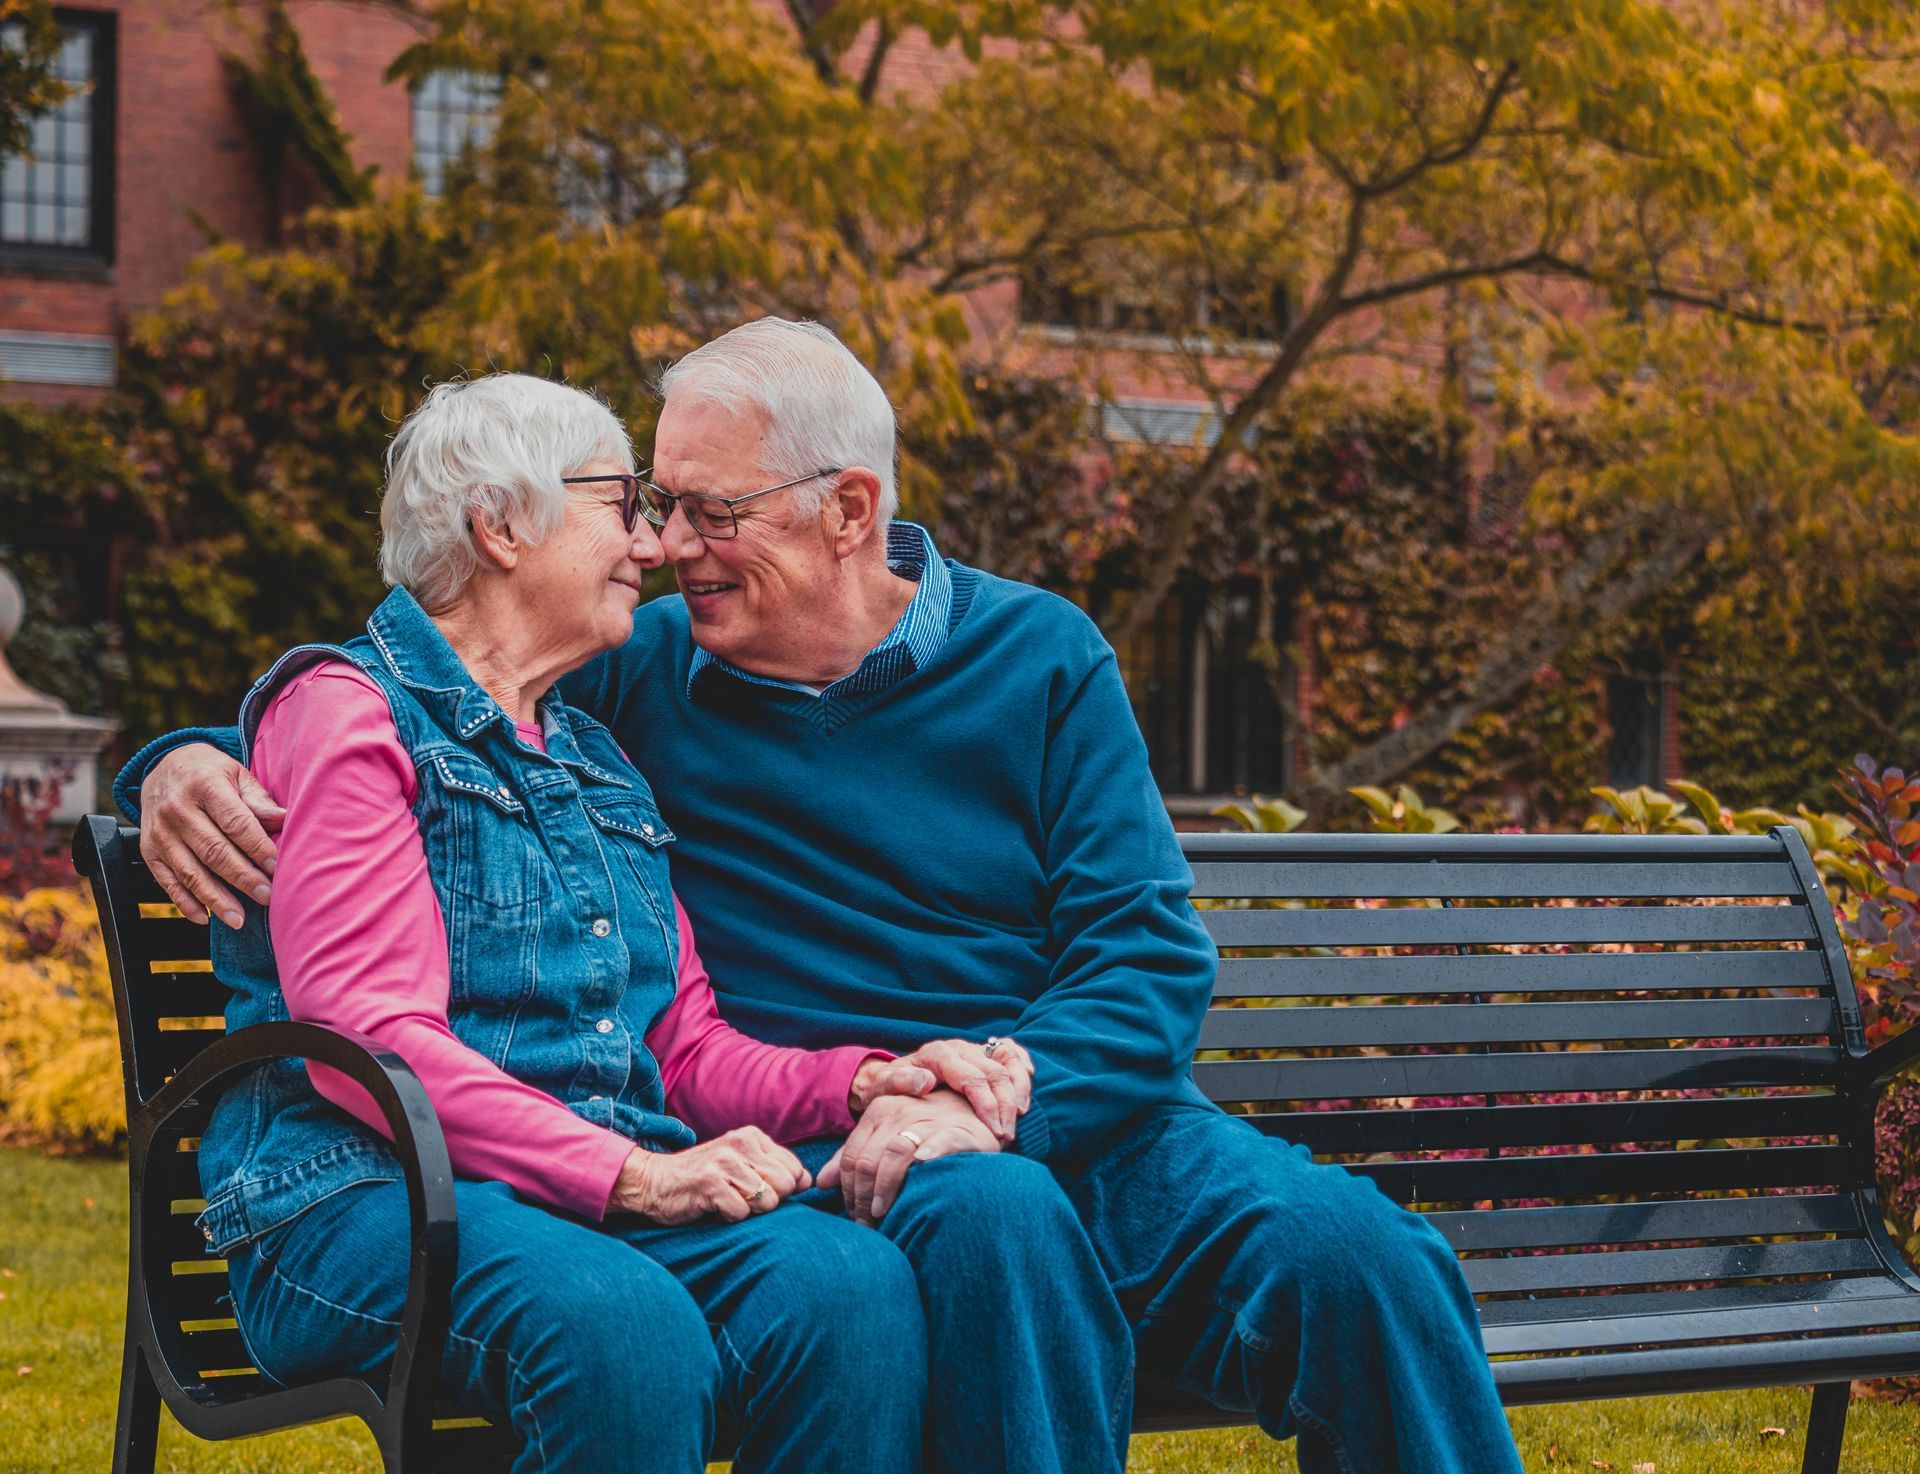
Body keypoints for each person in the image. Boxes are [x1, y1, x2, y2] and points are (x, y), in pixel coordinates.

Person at [125, 320, 1524, 1474]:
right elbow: (423, 685)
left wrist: (988, 1092)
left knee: (1365, 1261)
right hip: (833, 1136)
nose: (668, 545)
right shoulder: (639, 677)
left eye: (708, 511)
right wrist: (175, 762)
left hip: (1053, 1096)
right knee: (991, 1227)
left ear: (851, 507)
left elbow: (1145, 952)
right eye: (654, 505)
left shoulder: (1041, 656)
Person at [161, 372, 1032, 1474]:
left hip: (575, 1194)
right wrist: (635, 1177)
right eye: (621, 502)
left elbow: (685, 1045)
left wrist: (867, 1080)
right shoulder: (347, 714)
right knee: (623, 1327)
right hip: (360, 1194)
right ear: (499, 525)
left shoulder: (597, 763)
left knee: (848, 1288)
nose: (656, 544)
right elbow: (369, 1045)